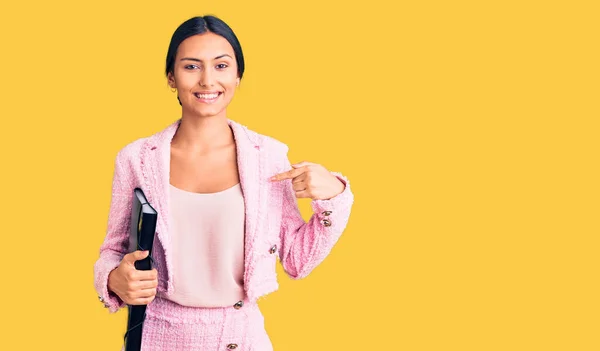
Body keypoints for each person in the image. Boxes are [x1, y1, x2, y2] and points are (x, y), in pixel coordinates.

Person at [93, 15, 354, 351]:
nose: (207, 80)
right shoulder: (137, 159)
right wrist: (113, 279)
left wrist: (335, 197)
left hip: (241, 338)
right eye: (191, 67)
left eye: (221, 66)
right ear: (171, 77)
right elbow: (112, 252)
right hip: (157, 337)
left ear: (237, 75)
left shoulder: (269, 156)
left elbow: (297, 260)